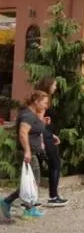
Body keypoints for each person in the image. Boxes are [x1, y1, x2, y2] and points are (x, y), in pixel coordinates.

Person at [0, 90, 50, 220]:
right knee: (34, 182)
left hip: (31, 151)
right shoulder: (28, 115)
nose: (46, 106)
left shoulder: (32, 114)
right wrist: (27, 151)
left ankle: (9, 203)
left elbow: (35, 129)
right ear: (36, 101)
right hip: (28, 152)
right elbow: (23, 133)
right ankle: (26, 208)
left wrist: (43, 123)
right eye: (44, 103)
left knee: (30, 183)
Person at [34, 76, 68, 207]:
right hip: (43, 137)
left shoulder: (42, 99)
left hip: (46, 135)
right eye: (54, 85)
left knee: (40, 167)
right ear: (48, 85)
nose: (55, 87)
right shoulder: (43, 101)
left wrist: (52, 134)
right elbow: (38, 122)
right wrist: (44, 137)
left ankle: (31, 198)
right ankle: (53, 197)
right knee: (55, 164)